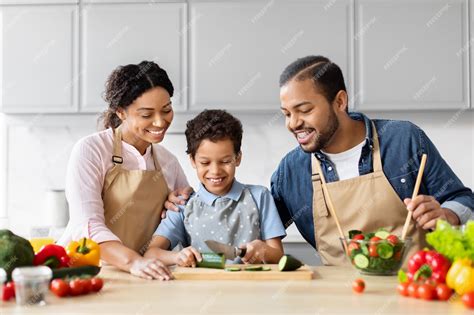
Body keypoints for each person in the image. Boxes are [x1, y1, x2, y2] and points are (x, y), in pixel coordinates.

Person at [271, 55, 474, 265]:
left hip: (415, 288)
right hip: (337, 295)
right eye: (286, 114)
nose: (293, 123)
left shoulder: (404, 140)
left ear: (340, 101)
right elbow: (262, 232)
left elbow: (463, 200)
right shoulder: (291, 171)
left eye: (304, 110)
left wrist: (448, 215)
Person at [59, 61, 191, 280]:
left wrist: (182, 202)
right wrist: (133, 261)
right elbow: (88, 225)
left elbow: (189, 220)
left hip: (145, 274)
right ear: (121, 112)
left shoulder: (168, 162)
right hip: (88, 272)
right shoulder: (91, 150)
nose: (160, 121)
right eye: (147, 115)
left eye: (166, 110)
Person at [144, 110, 286, 268]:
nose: (215, 171)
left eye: (225, 161)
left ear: (237, 158)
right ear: (192, 160)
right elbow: (151, 253)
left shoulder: (260, 197)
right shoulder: (182, 205)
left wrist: (264, 250)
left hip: (250, 288)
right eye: (205, 163)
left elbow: (278, 255)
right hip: (201, 289)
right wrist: (177, 256)